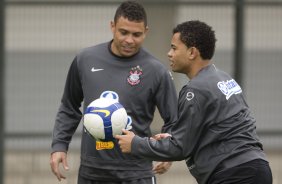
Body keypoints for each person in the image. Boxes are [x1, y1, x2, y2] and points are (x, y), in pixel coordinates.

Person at [116, 20, 273, 184]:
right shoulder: (224, 79)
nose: (169, 53)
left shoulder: (196, 90)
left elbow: (180, 148)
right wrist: (173, 137)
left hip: (234, 175)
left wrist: (135, 144)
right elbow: (218, 130)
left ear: (192, 52)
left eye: (174, 48)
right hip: (257, 167)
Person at [49, 1, 178, 184]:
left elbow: (174, 120)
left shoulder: (156, 70)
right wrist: (59, 145)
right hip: (92, 171)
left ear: (146, 32)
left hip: (137, 172)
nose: (129, 40)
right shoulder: (85, 60)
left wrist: (168, 151)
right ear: (112, 26)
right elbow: (69, 107)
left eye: (137, 34)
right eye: (123, 32)